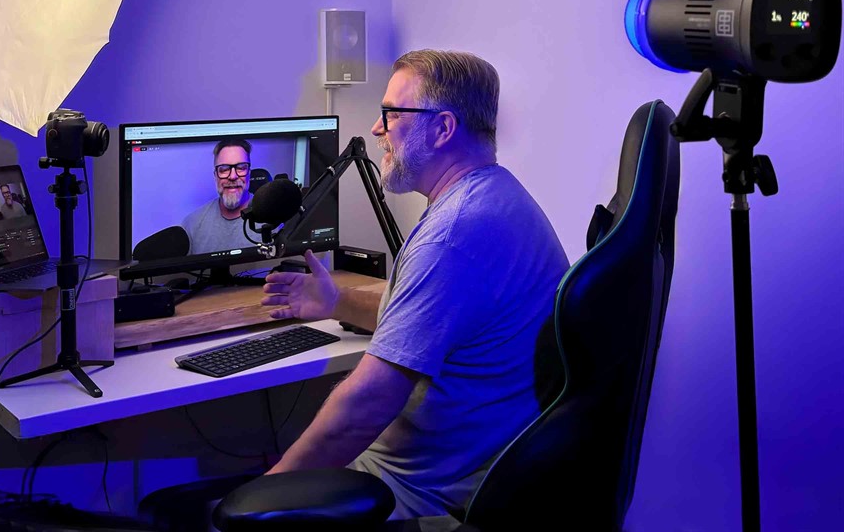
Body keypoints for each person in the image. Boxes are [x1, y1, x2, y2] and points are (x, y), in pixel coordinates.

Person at [261, 49, 569, 526]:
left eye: (391, 114)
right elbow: (426, 324)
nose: (377, 129)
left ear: (442, 129)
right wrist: (337, 301)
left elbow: (367, 404)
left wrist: (266, 495)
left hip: (415, 496)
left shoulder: (454, 235)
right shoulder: (494, 196)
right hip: (449, 474)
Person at [181, 138, 255, 255]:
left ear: (249, 173)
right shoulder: (192, 225)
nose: (232, 176)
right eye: (224, 169)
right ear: (215, 176)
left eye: (241, 168)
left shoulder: (274, 220)